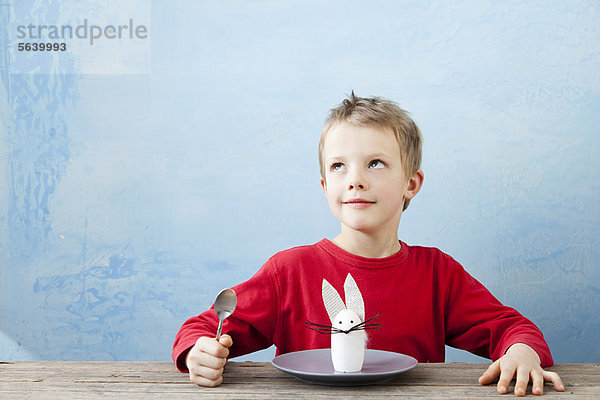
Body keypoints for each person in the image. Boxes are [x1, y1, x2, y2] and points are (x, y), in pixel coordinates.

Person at [173, 93, 564, 396]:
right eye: (339, 166)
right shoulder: (289, 271)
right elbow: (205, 326)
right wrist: (197, 353)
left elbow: (512, 327)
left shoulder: (436, 274)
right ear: (326, 186)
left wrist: (521, 352)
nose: (355, 180)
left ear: (411, 183)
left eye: (375, 163)